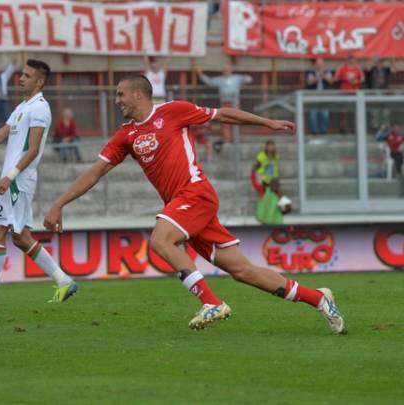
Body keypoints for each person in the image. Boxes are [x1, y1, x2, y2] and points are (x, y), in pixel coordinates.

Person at [44, 75, 345, 335]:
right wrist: (59, 203)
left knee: (160, 240)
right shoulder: (126, 135)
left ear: (138, 93)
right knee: (243, 271)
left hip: (195, 194)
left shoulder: (175, 111)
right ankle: (318, 298)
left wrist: (267, 123)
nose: (117, 100)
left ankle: (211, 302)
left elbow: (223, 115)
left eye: (120, 94)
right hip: (183, 207)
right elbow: (95, 172)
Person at [0, 59, 78, 308]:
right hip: (16, 179)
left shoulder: (40, 109)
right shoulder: (23, 107)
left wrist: (8, 177)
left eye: (26, 75)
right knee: (21, 237)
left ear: (40, 81)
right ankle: (64, 280)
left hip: (18, 180)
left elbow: (33, 150)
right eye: (22, 74)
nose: (20, 78)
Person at [197, 63, 252, 144]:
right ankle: (227, 141)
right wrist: (200, 74)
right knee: (226, 122)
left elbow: (249, 79)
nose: (226, 71)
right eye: (225, 70)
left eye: (228, 69)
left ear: (231, 70)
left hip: (235, 104)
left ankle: (236, 140)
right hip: (225, 104)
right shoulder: (220, 79)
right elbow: (210, 82)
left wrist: (246, 76)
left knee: (237, 121)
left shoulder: (237, 78)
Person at [365, 57, 398, 130]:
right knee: (375, 111)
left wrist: (392, 61)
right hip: (374, 92)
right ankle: (375, 128)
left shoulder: (385, 70)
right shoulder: (372, 70)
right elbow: (367, 67)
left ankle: (385, 127)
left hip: (384, 92)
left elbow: (394, 69)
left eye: (381, 62)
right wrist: (372, 60)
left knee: (386, 110)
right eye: (378, 62)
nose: (380, 64)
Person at [334, 55, 364, 134]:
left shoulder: (358, 69)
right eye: (349, 60)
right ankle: (343, 129)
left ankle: (356, 128)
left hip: (355, 94)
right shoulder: (342, 68)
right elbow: (336, 78)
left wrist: (356, 81)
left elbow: (362, 79)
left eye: (353, 60)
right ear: (347, 61)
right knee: (344, 112)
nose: (351, 62)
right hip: (344, 93)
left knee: (355, 111)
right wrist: (345, 79)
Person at [305, 58, 333, 135]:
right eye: (318, 64)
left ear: (323, 65)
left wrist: (323, 75)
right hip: (313, 97)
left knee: (324, 114)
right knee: (313, 115)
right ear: (315, 65)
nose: (319, 66)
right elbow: (309, 82)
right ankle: (314, 132)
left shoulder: (327, 72)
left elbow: (331, 81)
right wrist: (317, 77)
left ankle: (323, 131)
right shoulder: (311, 73)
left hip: (324, 97)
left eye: (321, 64)